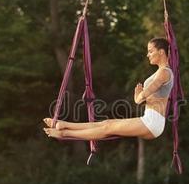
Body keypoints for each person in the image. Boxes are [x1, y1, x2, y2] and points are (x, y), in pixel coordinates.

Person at [43, 37, 173, 140]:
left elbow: (142, 98)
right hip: (150, 120)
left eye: (150, 51)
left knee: (108, 128)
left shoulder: (164, 72)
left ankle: (64, 133)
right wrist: (139, 95)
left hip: (152, 122)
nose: (147, 55)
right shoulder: (161, 72)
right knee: (106, 124)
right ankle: (65, 125)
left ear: (161, 52)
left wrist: (140, 95)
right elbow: (140, 100)